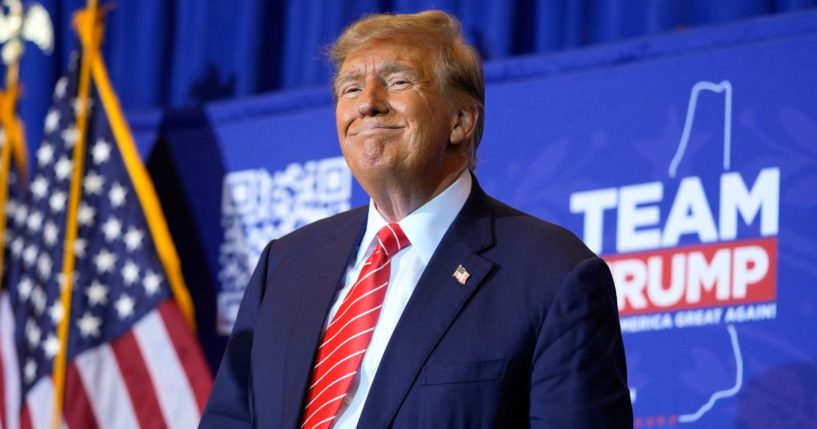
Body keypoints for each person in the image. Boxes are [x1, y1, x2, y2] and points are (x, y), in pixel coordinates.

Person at [200, 10, 632, 429]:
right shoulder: (286, 264)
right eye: (350, 89)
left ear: (460, 121)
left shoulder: (551, 273)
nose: (367, 103)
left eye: (397, 82)